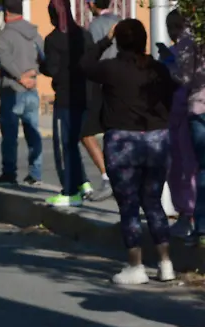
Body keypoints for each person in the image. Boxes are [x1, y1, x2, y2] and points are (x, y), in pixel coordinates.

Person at [80, 20, 176, 284]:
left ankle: (136, 266)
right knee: (154, 203)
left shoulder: (111, 69)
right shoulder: (157, 69)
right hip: (157, 139)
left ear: (119, 41)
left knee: (129, 207)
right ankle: (166, 263)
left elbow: (84, 65)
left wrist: (104, 41)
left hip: (123, 141)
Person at [40, 0, 93, 207]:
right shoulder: (84, 35)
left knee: (66, 145)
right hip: (85, 95)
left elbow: (52, 69)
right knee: (76, 140)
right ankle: (83, 183)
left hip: (65, 96)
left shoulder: (53, 39)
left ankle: (70, 190)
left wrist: (41, 64)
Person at [0, 0, 44, 186]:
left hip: (11, 89)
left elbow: (4, 58)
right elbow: (44, 57)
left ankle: (9, 172)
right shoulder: (34, 32)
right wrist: (32, 73)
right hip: (31, 88)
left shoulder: (5, 34)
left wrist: (19, 77)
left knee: (10, 135)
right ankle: (36, 173)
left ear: (6, 13)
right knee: (33, 133)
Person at [158, 9, 197, 240]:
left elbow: (183, 77)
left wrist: (168, 64)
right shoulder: (177, 49)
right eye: (170, 27)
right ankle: (186, 213)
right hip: (174, 115)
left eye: (176, 27)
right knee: (177, 167)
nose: (173, 32)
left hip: (186, 113)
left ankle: (189, 214)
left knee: (187, 167)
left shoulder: (188, 48)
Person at [167, 12, 205, 247]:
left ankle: (200, 226)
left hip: (198, 107)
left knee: (199, 169)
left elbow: (184, 77)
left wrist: (168, 67)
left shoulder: (190, 40)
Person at [79, 0, 121, 202]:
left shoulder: (95, 26)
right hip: (122, 81)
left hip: (101, 83)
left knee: (87, 132)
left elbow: (92, 55)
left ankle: (107, 176)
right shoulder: (121, 21)